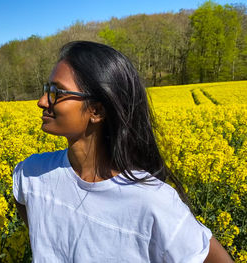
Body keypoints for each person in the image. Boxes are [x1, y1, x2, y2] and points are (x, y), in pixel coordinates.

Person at [12, 41, 233, 262]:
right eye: (46, 89)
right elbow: (23, 199)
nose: (42, 102)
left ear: (96, 111)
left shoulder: (152, 201)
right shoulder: (30, 173)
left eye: (55, 92)